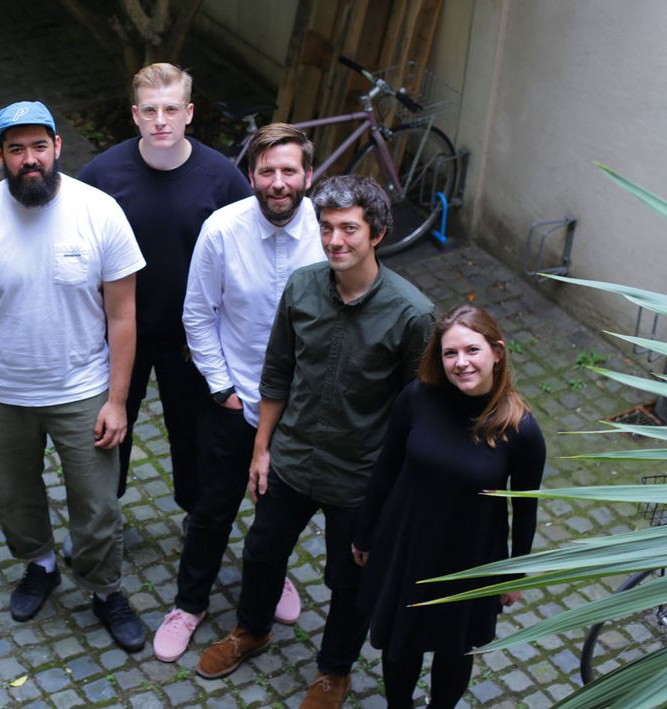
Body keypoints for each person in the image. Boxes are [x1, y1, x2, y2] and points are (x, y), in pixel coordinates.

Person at [197, 175, 435, 709]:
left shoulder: (413, 314)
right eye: (326, 228)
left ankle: (335, 671)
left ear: (377, 233)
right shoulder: (303, 286)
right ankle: (251, 630)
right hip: (293, 457)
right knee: (260, 553)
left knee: (349, 582)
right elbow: (276, 373)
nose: (335, 241)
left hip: (361, 477)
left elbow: (417, 413)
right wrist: (261, 450)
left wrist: (397, 494)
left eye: (349, 229)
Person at [0, 101, 148, 651]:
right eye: (16, 149)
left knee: (98, 502)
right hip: (0, 391)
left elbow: (124, 316)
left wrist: (119, 400)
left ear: (58, 147)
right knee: (14, 493)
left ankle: (104, 590)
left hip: (83, 389)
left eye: (38, 146)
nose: (28, 160)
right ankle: (42, 563)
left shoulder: (100, 212)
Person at [155, 123, 324, 663]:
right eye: (267, 171)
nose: (278, 182)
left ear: (308, 175)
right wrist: (223, 387)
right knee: (212, 509)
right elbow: (197, 315)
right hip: (235, 401)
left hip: (298, 410)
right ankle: (189, 602)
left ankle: (270, 580)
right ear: (250, 175)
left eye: (289, 171)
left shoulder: (329, 233)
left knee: (278, 515)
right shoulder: (222, 229)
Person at [77, 63, 250, 516]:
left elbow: (245, 255)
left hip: (191, 341)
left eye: (171, 109)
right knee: (109, 431)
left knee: (193, 436)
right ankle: (102, 517)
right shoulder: (100, 177)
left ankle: (196, 517)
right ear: (134, 114)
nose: (160, 121)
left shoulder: (223, 179)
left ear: (189, 113)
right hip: (115, 335)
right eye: (150, 110)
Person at [352, 305, 545, 708]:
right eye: (450, 353)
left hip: (470, 556)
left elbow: (525, 509)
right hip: (407, 542)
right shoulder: (418, 398)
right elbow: (385, 469)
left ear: (497, 352)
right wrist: (365, 533)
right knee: (400, 646)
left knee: (454, 649)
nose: (461, 363)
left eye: (471, 350)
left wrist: (514, 575)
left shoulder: (520, 429)